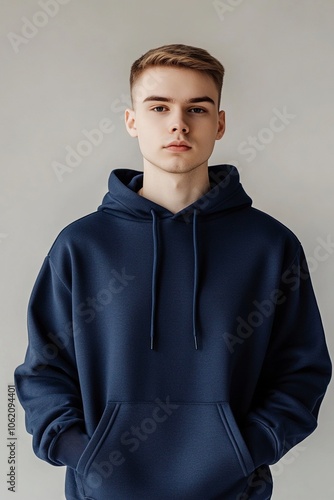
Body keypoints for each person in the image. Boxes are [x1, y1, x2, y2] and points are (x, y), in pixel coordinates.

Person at [15, 44, 331, 500]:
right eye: (159, 107)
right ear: (132, 121)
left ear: (219, 123)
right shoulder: (82, 246)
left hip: (233, 492)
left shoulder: (269, 246)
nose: (178, 123)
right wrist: (85, 455)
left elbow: (302, 372)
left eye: (197, 108)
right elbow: (41, 372)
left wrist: (243, 450)